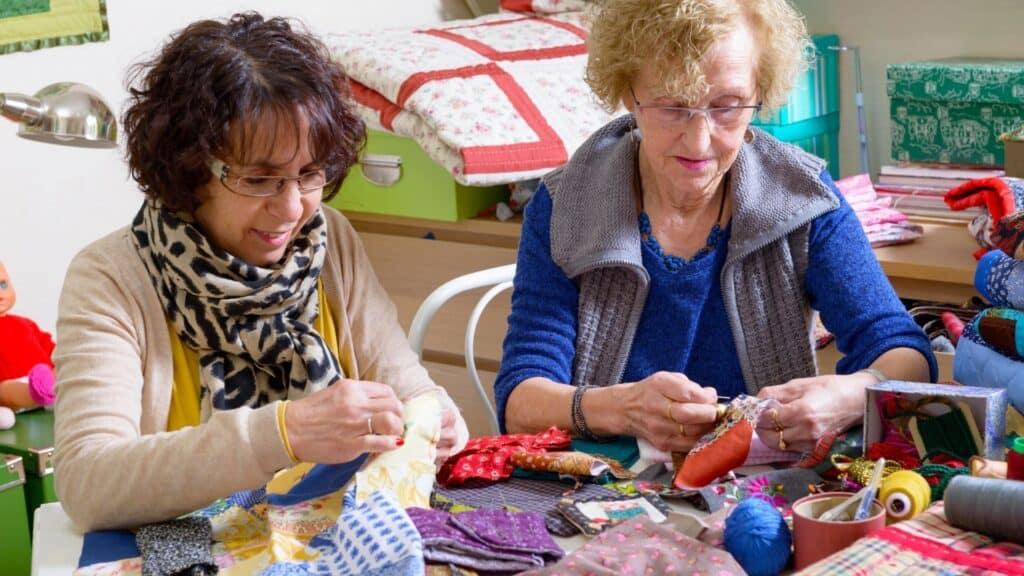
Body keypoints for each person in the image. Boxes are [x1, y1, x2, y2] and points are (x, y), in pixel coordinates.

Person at [53, 12, 468, 531]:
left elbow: (408, 385)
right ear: (189, 168)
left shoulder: (328, 239)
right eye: (259, 179)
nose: (292, 208)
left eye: (310, 174)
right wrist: (284, 433)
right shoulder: (110, 278)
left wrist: (440, 421)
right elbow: (87, 483)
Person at [495, 0, 935, 459]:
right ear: (629, 94)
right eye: (672, 107)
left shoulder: (802, 198)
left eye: (726, 107)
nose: (700, 140)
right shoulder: (567, 205)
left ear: (760, 91)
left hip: (761, 491)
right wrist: (623, 408)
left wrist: (851, 396)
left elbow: (905, 353)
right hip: (600, 490)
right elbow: (521, 400)